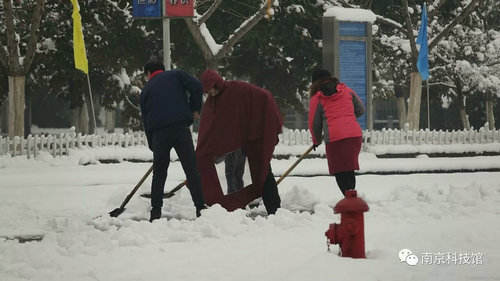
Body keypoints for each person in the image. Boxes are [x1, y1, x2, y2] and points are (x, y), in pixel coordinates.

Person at [196, 70, 282, 215]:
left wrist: (256, 129)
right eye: (208, 91)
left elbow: (264, 96)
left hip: (252, 142)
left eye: (212, 88)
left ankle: (275, 210)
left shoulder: (238, 89)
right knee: (235, 180)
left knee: (263, 172)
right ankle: (234, 211)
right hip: (234, 147)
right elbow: (211, 127)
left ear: (218, 82)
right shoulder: (212, 101)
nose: (211, 92)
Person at [139, 61, 206, 222]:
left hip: (159, 134)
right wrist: (194, 109)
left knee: (159, 173)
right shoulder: (177, 75)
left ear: (148, 73)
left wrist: (152, 144)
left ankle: (156, 211)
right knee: (191, 170)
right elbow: (197, 86)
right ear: (162, 69)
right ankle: (200, 207)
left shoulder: (146, 90)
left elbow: (146, 120)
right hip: (180, 129)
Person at [308, 69, 365, 196]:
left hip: (335, 138)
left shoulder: (317, 98)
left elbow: (314, 123)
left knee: (340, 170)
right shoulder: (347, 90)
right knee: (348, 169)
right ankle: (351, 197)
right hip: (354, 136)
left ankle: (350, 200)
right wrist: (348, 118)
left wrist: (316, 140)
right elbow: (361, 109)